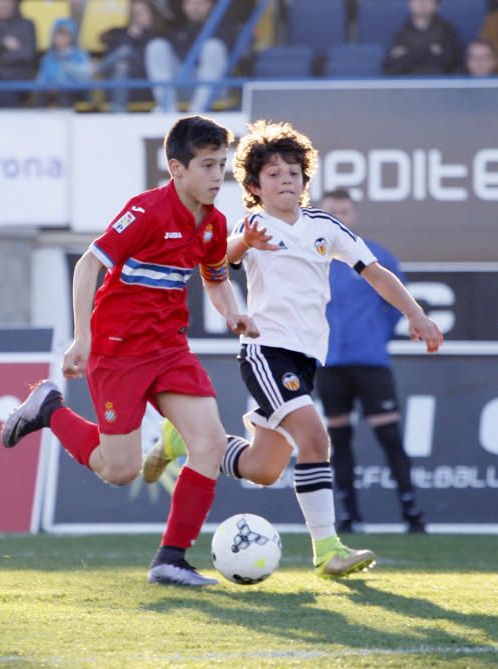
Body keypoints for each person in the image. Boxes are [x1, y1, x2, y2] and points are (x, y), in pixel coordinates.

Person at [142, 120, 443, 578]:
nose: (286, 180)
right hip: (266, 351)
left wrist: (415, 314)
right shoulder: (253, 224)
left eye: (294, 173)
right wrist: (245, 241)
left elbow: (376, 272)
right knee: (315, 437)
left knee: (262, 468)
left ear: (305, 181)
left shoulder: (324, 226)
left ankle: (185, 439)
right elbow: (218, 259)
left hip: (306, 359)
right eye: (274, 174)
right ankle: (328, 551)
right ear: (253, 186)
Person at [1, 115, 259, 587]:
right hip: (117, 352)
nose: (217, 176)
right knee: (120, 471)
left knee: (210, 444)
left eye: (222, 165)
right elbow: (86, 267)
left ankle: (171, 559)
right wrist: (83, 338)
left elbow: (215, 276)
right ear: (176, 168)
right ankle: (48, 407)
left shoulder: (214, 222)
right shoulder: (145, 211)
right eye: (207, 165)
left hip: (169, 349)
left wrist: (232, 313)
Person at [315, 189, 426, 535]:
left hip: (371, 361)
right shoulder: (312, 258)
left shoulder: (374, 256)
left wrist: (378, 335)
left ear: (354, 216)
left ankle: (411, 513)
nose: (339, 218)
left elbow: (400, 303)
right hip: (329, 364)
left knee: (389, 436)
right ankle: (349, 516)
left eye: (344, 212)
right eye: (331, 213)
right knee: (340, 440)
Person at [144, 0, 235, 114]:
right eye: (190, 3)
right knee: (156, 46)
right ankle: (168, 108)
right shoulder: (176, 26)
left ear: (211, 5)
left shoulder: (224, 28)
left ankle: (199, 111)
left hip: (212, 91)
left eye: (200, 3)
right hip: (181, 84)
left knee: (213, 47)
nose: (195, 7)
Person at [97, 0, 162, 112]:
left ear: (152, 14)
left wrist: (135, 38)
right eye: (135, 13)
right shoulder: (123, 33)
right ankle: (119, 110)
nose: (138, 17)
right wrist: (130, 37)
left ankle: (96, 69)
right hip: (119, 84)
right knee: (122, 65)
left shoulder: (158, 36)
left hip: (144, 85)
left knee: (126, 53)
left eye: (142, 13)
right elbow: (103, 38)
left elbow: (148, 63)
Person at [384, 0, 462, 76]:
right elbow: (390, 66)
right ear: (409, 4)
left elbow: (451, 63)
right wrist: (430, 52)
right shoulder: (400, 32)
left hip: (439, 84)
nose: (422, 3)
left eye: (427, 0)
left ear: (437, 5)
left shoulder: (447, 31)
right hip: (407, 84)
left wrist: (410, 54)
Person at [35, 17, 92, 107]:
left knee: (64, 94)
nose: (61, 39)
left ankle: (66, 120)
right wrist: (49, 86)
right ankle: (38, 120)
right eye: (58, 35)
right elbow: (41, 79)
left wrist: (66, 66)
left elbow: (85, 78)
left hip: (75, 92)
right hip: (51, 91)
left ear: (72, 37)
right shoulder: (48, 57)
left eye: (65, 35)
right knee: (41, 95)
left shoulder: (80, 55)